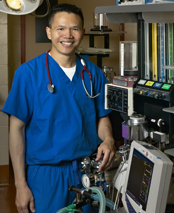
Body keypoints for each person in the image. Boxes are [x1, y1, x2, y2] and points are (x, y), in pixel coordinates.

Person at [2, 3, 115, 213]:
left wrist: (108, 139)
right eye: (60, 28)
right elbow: (16, 129)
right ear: (49, 32)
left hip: (86, 172)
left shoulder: (93, 73)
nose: (68, 35)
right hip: (46, 176)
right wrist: (20, 185)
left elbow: (102, 117)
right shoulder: (28, 74)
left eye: (74, 28)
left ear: (81, 32)